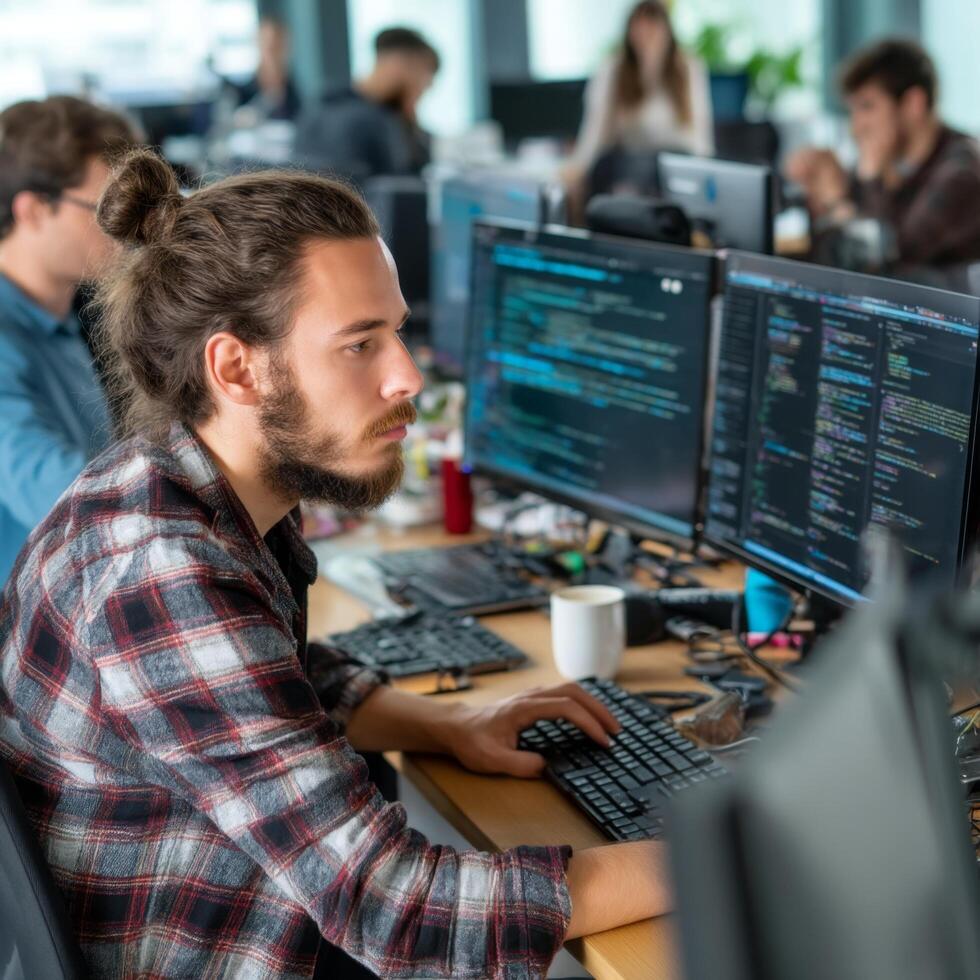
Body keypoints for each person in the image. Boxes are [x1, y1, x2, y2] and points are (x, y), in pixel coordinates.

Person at [0, 148, 672, 979]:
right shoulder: (160, 569)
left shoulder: (176, 486)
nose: (408, 376)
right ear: (237, 367)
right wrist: (726, 852)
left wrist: (444, 724)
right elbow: (398, 910)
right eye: (361, 346)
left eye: (398, 331)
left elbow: (272, 677)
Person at [0, 95, 137, 586]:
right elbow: (54, 491)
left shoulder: (62, 313)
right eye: (105, 208)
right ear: (33, 210)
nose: (126, 228)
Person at [786, 38, 980, 275]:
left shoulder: (963, 173)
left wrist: (845, 196)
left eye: (867, 106)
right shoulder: (894, 164)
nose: (856, 127)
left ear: (913, 104)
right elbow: (831, 254)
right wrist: (821, 194)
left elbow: (890, 259)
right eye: (852, 110)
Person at [565, 0, 714, 204]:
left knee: (660, 170)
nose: (646, 34)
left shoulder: (687, 68)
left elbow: (700, 136)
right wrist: (577, 168)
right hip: (630, 162)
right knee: (606, 168)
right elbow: (595, 132)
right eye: (640, 27)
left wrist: (708, 178)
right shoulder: (613, 69)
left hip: (676, 162)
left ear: (668, 31)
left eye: (653, 27)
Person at [295, 27, 439, 181]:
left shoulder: (323, 103)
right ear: (398, 64)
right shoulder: (373, 123)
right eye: (425, 73)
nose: (427, 85)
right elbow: (407, 186)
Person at [231, 14, 302, 122]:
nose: (270, 49)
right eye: (266, 42)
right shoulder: (246, 89)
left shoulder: (291, 87)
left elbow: (299, 116)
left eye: (275, 44)